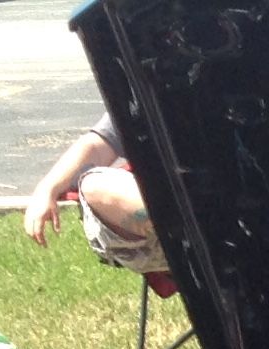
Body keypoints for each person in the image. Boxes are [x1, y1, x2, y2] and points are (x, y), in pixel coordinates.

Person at [23, 115, 165, 275]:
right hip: (167, 234)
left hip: (188, 215)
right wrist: (46, 190)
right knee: (93, 184)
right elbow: (97, 146)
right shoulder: (143, 97)